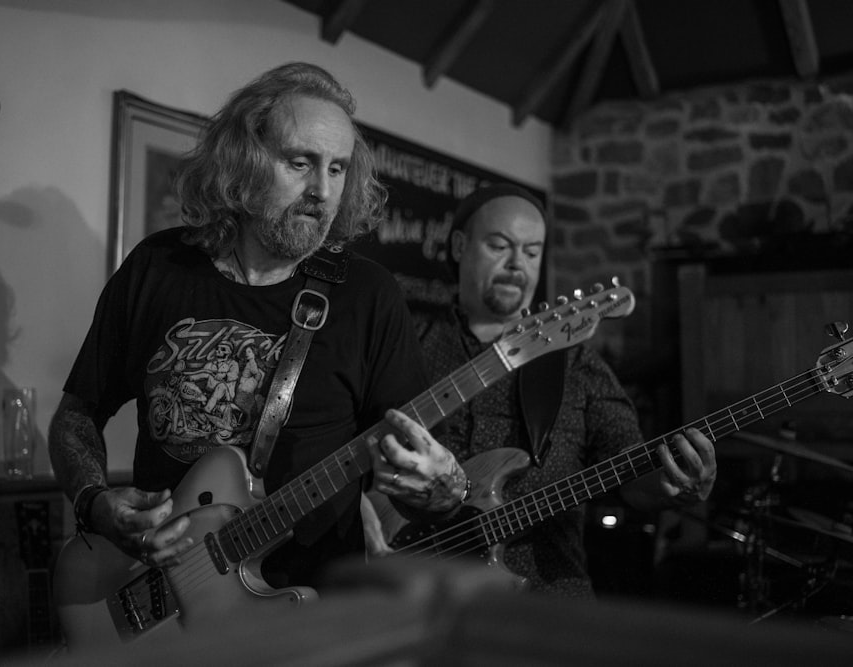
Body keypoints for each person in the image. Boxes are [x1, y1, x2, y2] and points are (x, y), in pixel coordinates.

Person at [47, 62, 468, 592]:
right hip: (162, 603)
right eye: (300, 163)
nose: (322, 190)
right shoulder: (157, 266)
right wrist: (96, 503)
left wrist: (443, 487)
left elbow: (422, 477)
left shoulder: (368, 295)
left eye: (337, 169)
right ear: (241, 163)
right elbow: (76, 415)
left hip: (310, 613)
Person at [397, 183, 717, 598]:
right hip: (415, 594)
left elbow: (629, 467)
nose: (517, 264)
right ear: (459, 246)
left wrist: (673, 483)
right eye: (499, 246)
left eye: (532, 252)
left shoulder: (575, 362)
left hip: (545, 596)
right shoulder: (409, 346)